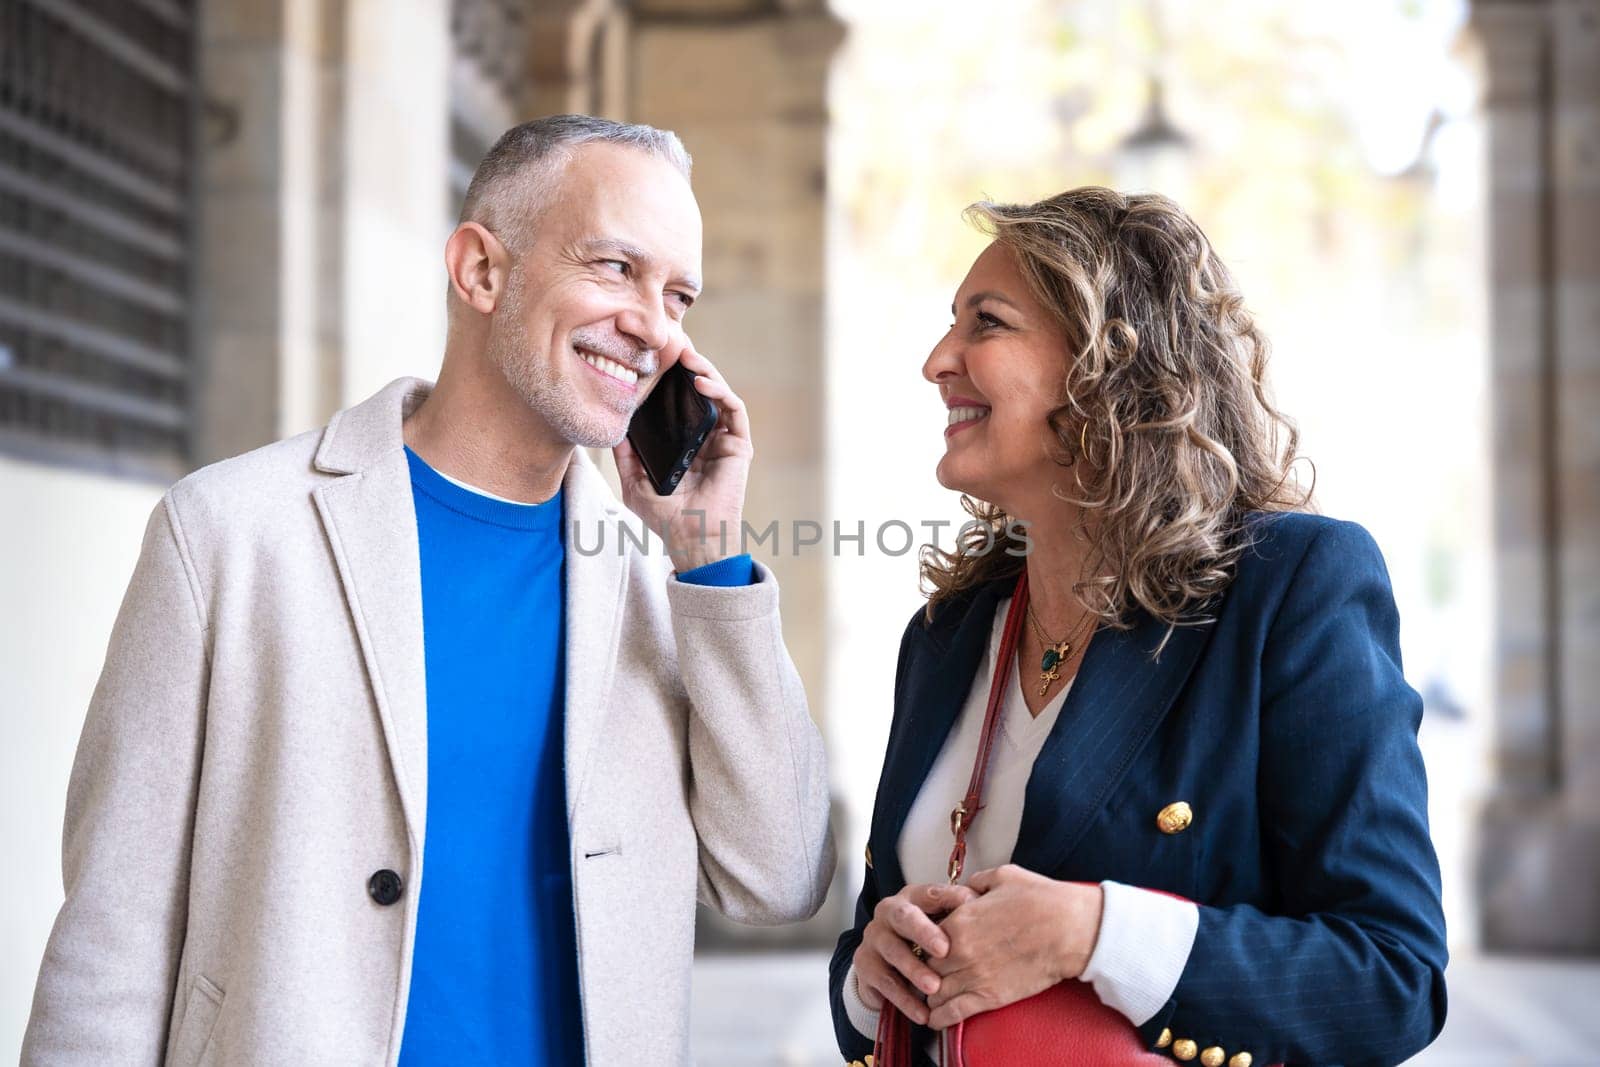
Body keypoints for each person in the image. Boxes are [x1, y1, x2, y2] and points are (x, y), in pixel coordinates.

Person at [23, 115, 835, 1067]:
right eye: (615, 267)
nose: (655, 325)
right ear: (481, 272)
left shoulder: (660, 587)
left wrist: (708, 552)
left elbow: (779, 877)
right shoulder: (230, 533)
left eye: (680, 295)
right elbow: (112, 937)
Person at [829, 187, 1446, 1067]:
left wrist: (1093, 932)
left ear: (1107, 366)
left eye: (986, 323)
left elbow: (1394, 975)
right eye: (949, 324)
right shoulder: (946, 633)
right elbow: (866, 955)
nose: (938, 359)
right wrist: (870, 976)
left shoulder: (1294, 585)